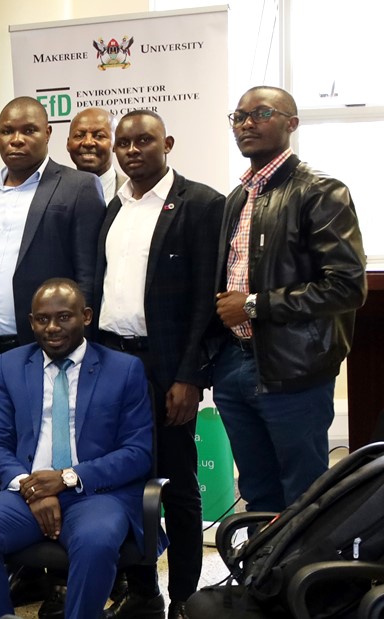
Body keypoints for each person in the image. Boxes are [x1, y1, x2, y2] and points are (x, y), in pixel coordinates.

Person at [0, 279, 153, 619]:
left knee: (96, 542)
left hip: (96, 493)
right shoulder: (10, 365)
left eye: (64, 317)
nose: (52, 328)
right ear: (31, 322)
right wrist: (31, 488)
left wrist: (66, 478)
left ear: (86, 316)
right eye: (43, 319)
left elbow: (138, 452)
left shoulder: (124, 369)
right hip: (26, 491)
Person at [96, 110, 225, 619]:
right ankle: (143, 588)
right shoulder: (115, 204)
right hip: (113, 364)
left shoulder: (201, 204)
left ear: (167, 143)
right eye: (123, 143)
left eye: (143, 141)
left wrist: (190, 376)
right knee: (126, 480)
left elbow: (203, 300)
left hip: (166, 366)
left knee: (178, 484)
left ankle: (185, 598)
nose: (131, 150)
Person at [212, 86, 365, 514]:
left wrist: (256, 305)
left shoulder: (321, 192)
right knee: (258, 495)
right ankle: (264, 579)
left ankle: (306, 582)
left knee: (306, 499)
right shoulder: (237, 199)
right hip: (235, 366)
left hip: (294, 370)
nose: (246, 124)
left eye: (260, 113)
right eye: (238, 117)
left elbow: (347, 285)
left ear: (291, 124)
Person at [0, 97, 106, 391]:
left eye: (29, 131)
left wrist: (80, 345)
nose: (16, 140)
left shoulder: (79, 186)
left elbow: (88, 275)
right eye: (7, 131)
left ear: (48, 133)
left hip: (46, 346)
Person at [67, 108, 125, 204]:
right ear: (68, 143)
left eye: (99, 136)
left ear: (116, 143)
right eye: (79, 136)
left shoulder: (135, 192)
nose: (88, 142)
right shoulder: (54, 193)